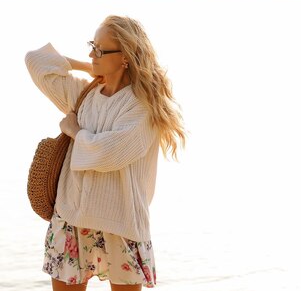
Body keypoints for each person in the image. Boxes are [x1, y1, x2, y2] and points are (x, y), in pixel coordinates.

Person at [25, 15, 186, 290]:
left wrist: (75, 130)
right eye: (92, 45)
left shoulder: (142, 106)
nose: (92, 52)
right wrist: (87, 66)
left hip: (119, 221)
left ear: (126, 57)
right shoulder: (85, 94)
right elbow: (36, 61)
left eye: (100, 49)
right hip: (71, 215)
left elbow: (108, 154)